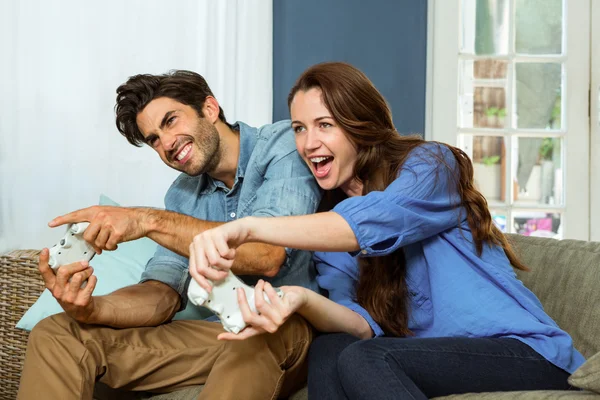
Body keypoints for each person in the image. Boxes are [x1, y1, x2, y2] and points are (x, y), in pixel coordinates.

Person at [186, 62, 585, 399]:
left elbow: (378, 219)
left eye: (324, 124)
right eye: (299, 128)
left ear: (360, 124)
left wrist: (248, 228)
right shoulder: (330, 230)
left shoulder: (431, 166)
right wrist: (296, 298)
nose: (308, 143)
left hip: (524, 353)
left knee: (367, 357)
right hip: (434, 359)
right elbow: (362, 324)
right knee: (332, 348)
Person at [18, 70, 321, 400]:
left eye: (171, 121)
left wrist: (146, 220)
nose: (166, 144)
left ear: (209, 108)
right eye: (153, 140)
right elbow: (161, 295)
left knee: (252, 335)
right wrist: (91, 309)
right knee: (58, 332)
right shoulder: (182, 196)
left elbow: (267, 255)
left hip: (287, 326)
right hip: (215, 335)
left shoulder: (281, 147)